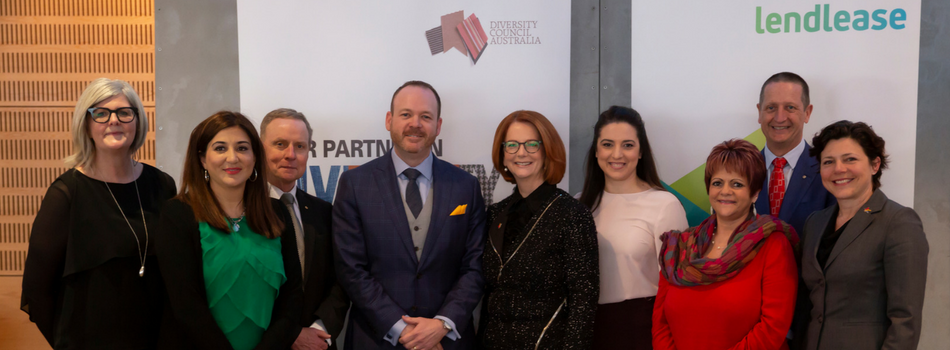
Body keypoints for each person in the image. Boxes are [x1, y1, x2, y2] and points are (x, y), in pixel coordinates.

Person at [20, 78, 176, 349]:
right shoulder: (66, 194)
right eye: (101, 113)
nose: (113, 121)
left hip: (155, 340)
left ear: (137, 122)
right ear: (87, 125)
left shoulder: (162, 185)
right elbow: (37, 289)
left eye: (124, 113)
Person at [333, 81, 486, 350]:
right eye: (405, 114)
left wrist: (442, 325)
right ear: (389, 120)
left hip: (446, 342)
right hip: (376, 339)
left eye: (425, 117)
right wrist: (403, 330)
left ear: (438, 126)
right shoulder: (355, 183)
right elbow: (351, 269)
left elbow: (475, 266)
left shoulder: (466, 186)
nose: (415, 124)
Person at [155, 111, 303, 350]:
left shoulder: (277, 212)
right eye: (220, 148)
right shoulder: (178, 214)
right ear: (203, 159)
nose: (232, 158)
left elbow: (292, 299)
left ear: (255, 158)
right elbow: (185, 306)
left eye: (243, 148)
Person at [653, 139, 798, 350]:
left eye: (737, 184)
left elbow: (773, 328)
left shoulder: (773, 244)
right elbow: (660, 323)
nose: (725, 191)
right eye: (718, 182)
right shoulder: (680, 246)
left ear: (755, 193)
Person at [801, 121, 928, 350]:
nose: (839, 169)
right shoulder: (814, 223)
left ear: (874, 164)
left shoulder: (899, 222)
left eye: (850, 159)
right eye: (829, 162)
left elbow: (905, 321)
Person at [478, 110, 599, 349]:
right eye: (511, 145)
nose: (521, 152)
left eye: (532, 144)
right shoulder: (494, 214)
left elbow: (583, 303)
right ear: (503, 155)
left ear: (547, 151)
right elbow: (490, 296)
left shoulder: (573, 215)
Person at [578, 106, 687, 349]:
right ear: (596, 151)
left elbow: (679, 290)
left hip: (641, 331)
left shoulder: (665, 205)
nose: (617, 154)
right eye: (607, 144)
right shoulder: (579, 206)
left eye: (627, 145)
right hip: (586, 332)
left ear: (640, 152)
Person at [753, 72, 835, 349]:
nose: (779, 117)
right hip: (749, 325)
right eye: (771, 107)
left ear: (807, 112)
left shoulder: (831, 172)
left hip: (808, 326)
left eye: (790, 107)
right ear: (759, 112)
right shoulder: (738, 170)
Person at [260, 108, 350, 350]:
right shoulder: (240, 211)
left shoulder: (324, 212)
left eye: (300, 146)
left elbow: (342, 279)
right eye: (280, 144)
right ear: (260, 148)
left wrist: (320, 329)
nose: (291, 155)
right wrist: (289, 335)